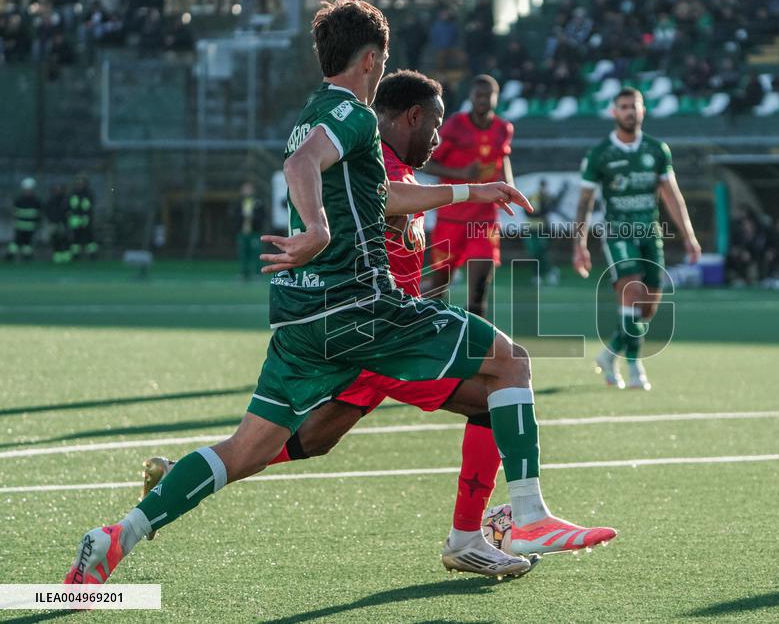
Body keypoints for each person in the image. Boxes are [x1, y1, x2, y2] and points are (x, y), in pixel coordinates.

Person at [64, 0, 615, 586]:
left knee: (243, 450)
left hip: (301, 322)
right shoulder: (353, 113)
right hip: (361, 306)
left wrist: (469, 194)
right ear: (373, 60)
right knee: (512, 364)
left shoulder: (313, 112)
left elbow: (379, 194)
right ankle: (528, 514)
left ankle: (117, 537)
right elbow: (301, 166)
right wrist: (318, 230)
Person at [143, 70, 538, 578]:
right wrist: (469, 191)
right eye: (433, 124)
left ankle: (182, 479)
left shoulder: (399, 163)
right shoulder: (373, 158)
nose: (437, 138)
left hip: (378, 328)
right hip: (380, 329)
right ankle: (468, 536)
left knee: (312, 439)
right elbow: (378, 197)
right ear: (409, 118)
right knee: (492, 395)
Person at [573, 88, 700, 390]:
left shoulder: (657, 150)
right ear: (614, 112)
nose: (630, 112)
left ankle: (609, 353)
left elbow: (672, 195)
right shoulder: (600, 154)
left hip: (649, 233)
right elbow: (584, 202)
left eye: (635, 106)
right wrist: (579, 244)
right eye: (624, 107)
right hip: (618, 233)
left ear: (643, 111)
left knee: (647, 307)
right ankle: (634, 367)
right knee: (631, 288)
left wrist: (689, 236)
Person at [423, 75, 514, 317]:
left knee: (479, 293)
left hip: (484, 221)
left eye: (488, 95)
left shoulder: (503, 129)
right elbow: (427, 163)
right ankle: (410, 323)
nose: (483, 100)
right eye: (478, 95)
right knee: (438, 287)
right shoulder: (454, 126)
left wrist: (509, 187)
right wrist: (459, 173)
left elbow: (502, 158)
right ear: (471, 97)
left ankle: (474, 351)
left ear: (496, 98)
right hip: (451, 219)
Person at [235, 182, 268, 281]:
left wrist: (253, 218)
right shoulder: (239, 202)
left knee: (257, 253)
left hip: (255, 232)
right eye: (245, 189)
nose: (247, 191)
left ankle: (258, 273)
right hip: (243, 232)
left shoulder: (258, 202)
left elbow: (263, 216)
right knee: (243, 253)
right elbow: (235, 216)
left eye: (249, 189)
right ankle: (244, 273)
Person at [6, 177, 42, 262]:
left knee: (27, 243)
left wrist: (38, 223)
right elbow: (14, 212)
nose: (28, 191)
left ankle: (26, 256)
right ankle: (10, 255)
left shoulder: (36, 201)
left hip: (30, 226)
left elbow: (39, 214)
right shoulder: (19, 200)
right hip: (20, 225)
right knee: (17, 242)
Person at [67, 174, 97, 260]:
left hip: (85, 218)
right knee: (76, 238)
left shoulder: (88, 194)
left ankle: (92, 254)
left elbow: (90, 207)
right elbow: (69, 206)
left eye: (81, 182)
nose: (80, 184)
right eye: (78, 183)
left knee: (89, 237)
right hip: (75, 219)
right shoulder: (72, 193)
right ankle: (75, 255)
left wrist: (88, 217)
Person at [46, 183, 71, 264]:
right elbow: (48, 211)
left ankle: (65, 255)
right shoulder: (51, 200)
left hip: (62, 222)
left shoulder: (65, 200)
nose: (58, 191)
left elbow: (67, 211)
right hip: (53, 222)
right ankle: (57, 255)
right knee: (55, 239)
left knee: (64, 238)